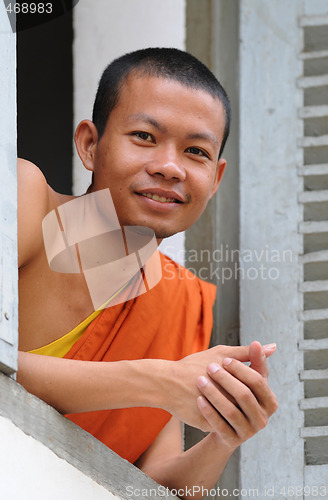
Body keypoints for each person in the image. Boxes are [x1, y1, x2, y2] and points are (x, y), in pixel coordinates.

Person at [17, 47, 277, 498]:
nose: (169, 167)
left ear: (214, 180)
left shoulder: (178, 300)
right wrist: (158, 381)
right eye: (144, 136)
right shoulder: (25, 199)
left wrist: (224, 433)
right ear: (90, 144)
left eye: (195, 151)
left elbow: (156, 488)